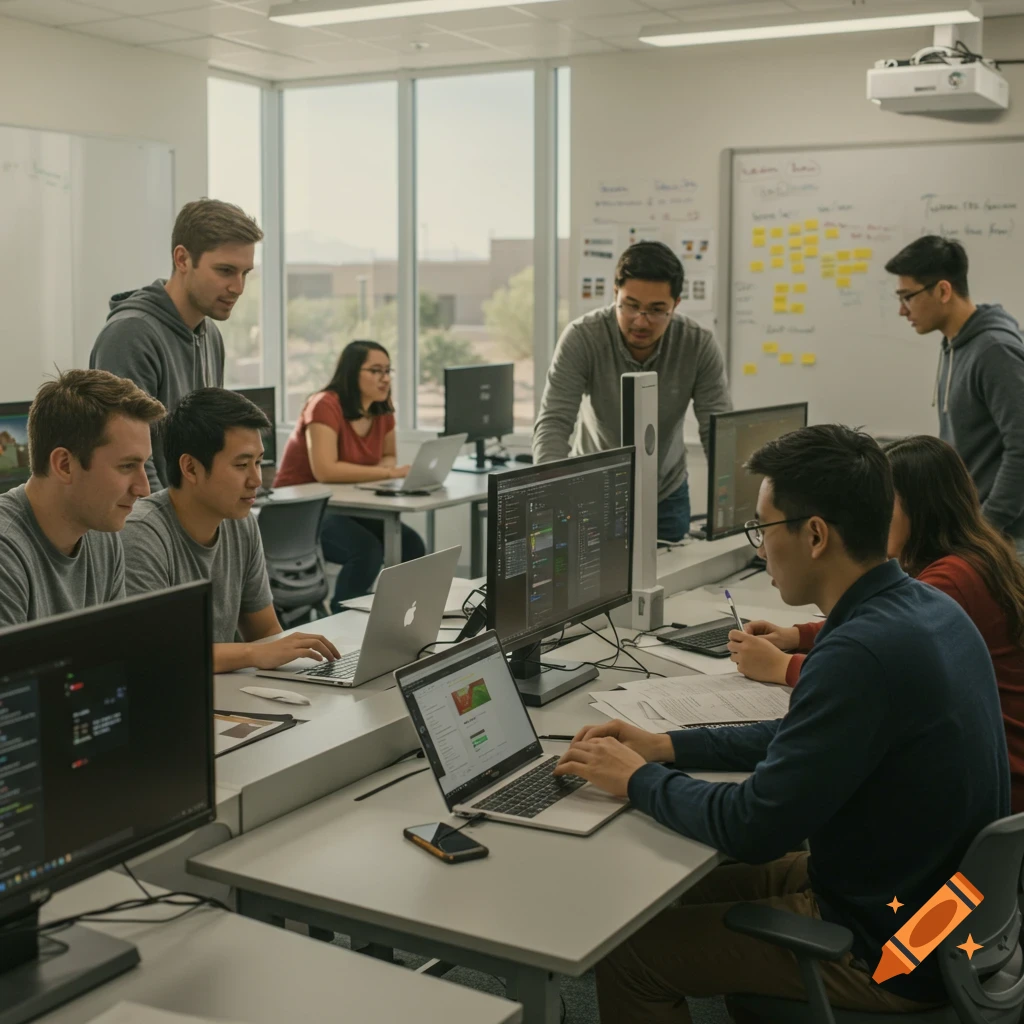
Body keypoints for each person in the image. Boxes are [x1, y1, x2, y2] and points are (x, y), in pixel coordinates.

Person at [554, 424, 1008, 1021]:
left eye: (764, 529)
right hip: (934, 908)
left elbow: (753, 827)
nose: (759, 548)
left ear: (815, 535)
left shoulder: (860, 652)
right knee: (656, 902)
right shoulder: (923, 607)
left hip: (895, 948)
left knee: (629, 954)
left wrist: (636, 780)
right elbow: (804, 737)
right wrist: (666, 745)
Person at [730, 434, 1024, 812]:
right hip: (987, 835)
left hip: (1002, 797)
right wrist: (797, 635)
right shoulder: (971, 554)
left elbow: (872, 669)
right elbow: (882, 629)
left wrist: (781, 666)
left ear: (920, 508)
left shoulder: (949, 582)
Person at [121, 388, 340, 673]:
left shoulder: (241, 522)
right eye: (241, 465)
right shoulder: (141, 535)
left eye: (259, 462)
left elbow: (266, 634)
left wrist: (304, 665)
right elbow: (160, 654)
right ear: (191, 468)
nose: (256, 480)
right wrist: (253, 653)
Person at [532, 241, 731, 541]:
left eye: (656, 310)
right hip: (591, 491)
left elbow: (717, 431)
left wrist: (733, 504)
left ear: (675, 304)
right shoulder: (582, 338)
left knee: (674, 583)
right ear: (615, 294)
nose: (641, 320)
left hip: (666, 494)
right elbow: (554, 422)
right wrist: (553, 496)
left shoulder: (697, 344)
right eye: (631, 305)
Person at [90, 198, 263, 491]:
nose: (238, 287)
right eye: (225, 271)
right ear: (182, 260)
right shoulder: (131, 335)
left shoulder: (210, 333)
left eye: (244, 273)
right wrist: (167, 530)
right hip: (151, 527)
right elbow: (129, 463)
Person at [886, 235, 1024, 553]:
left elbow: (1021, 448)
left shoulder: (994, 350)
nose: (902, 311)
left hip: (1004, 541)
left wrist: (985, 528)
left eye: (907, 297)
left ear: (943, 290)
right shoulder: (953, 345)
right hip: (977, 534)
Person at [0, 369, 164, 629]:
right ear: (64, 465)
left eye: (144, 464)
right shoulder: (6, 552)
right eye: (126, 466)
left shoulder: (104, 537)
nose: (144, 488)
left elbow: (113, 659)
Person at [274, 340, 426, 606]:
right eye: (375, 370)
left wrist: (384, 469)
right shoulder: (324, 404)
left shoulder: (382, 408)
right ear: (352, 372)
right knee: (366, 551)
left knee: (411, 546)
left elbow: (388, 456)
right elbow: (325, 470)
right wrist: (388, 472)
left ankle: (398, 619)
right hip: (301, 510)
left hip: (346, 504)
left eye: (388, 371)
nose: (385, 378)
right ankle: (342, 623)